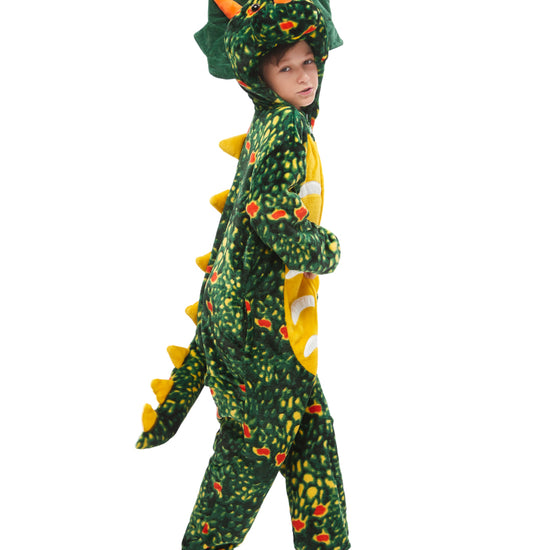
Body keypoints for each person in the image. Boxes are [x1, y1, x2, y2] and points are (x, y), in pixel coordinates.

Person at [136, 2, 350, 549]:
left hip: (242, 316)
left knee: (310, 433)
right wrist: (325, 249)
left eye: (309, 61)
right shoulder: (285, 127)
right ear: (258, 76)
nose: (303, 77)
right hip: (261, 332)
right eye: (287, 68)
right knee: (251, 450)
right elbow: (270, 217)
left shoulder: (271, 121)